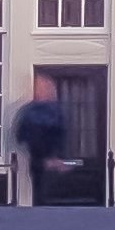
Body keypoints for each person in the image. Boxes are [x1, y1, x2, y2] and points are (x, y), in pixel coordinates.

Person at [12, 73, 72, 207]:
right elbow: (24, 135)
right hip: (41, 160)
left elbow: (60, 134)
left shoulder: (41, 111)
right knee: (43, 195)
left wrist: (58, 157)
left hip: (46, 160)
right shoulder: (32, 112)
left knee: (48, 196)